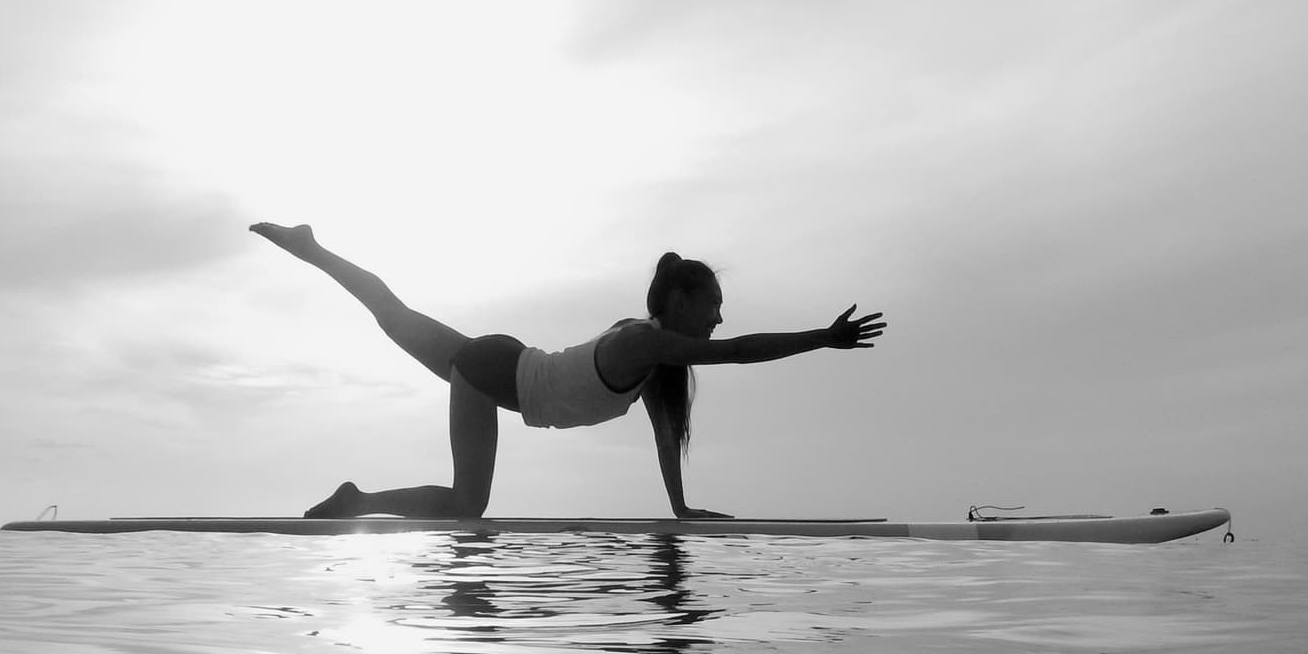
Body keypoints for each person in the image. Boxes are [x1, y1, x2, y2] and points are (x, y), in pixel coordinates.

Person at [250, 222, 885, 519]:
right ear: (681, 302)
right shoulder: (643, 342)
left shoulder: (654, 360)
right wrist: (821, 338)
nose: (720, 319)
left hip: (504, 362)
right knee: (467, 505)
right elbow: (739, 352)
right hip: (494, 370)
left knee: (392, 315)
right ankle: (358, 503)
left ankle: (312, 247)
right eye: (714, 307)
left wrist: (683, 509)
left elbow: (668, 438)